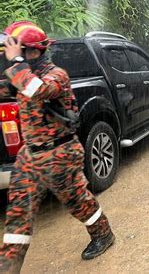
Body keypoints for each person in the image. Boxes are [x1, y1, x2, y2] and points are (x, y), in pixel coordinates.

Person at [0, 22, 114, 272]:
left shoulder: (56, 75)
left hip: (59, 153)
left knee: (78, 202)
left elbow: (39, 91)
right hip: (29, 155)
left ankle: (103, 234)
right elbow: (7, 88)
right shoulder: (19, 75)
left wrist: (16, 62)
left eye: (23, 51)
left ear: (36, 51)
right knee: (18, 214)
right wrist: (10, 66)